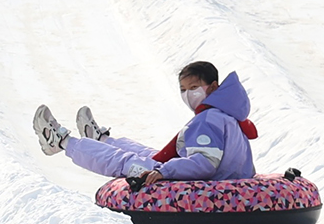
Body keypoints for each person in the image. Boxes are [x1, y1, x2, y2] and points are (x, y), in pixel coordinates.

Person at [32, 61, 257, 188]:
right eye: (183, 90)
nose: (188, 95)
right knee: (147, 154)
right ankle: (102, 140)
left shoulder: (208, 119)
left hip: (210, 183)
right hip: (223, 178)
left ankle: (62, 142)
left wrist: (164, 171)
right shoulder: (226, 114)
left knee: (125, 162)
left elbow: (205, 163)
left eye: (194, 88)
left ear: (213, 87)